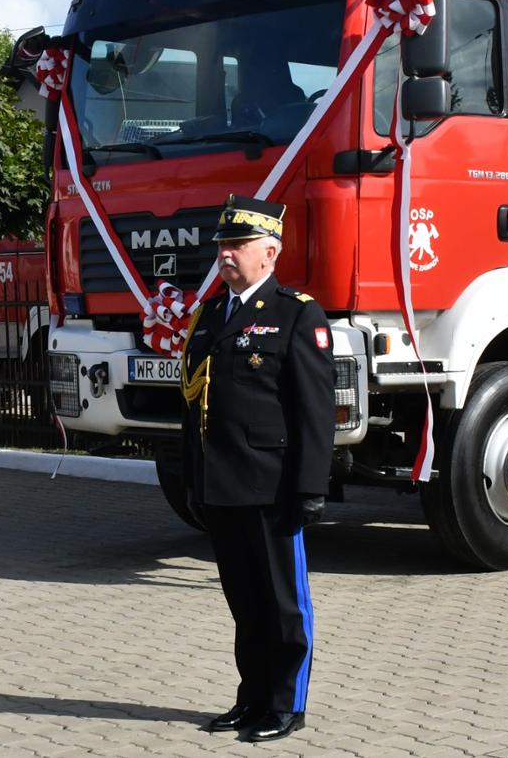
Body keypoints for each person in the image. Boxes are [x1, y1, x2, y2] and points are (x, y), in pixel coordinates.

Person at [179, 194, 335, 743]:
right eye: (222, 245)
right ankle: (251, 699)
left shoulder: (297, 312)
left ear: (269, 252)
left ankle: (286, 704)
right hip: (221, 487)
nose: (225, 254)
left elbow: (315, 412)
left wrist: (311, 488)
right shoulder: (210, 315)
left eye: (237, 245)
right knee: (244, 604)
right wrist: (193, 481)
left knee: (283, 605)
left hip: (272, 489)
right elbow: (195, 405)